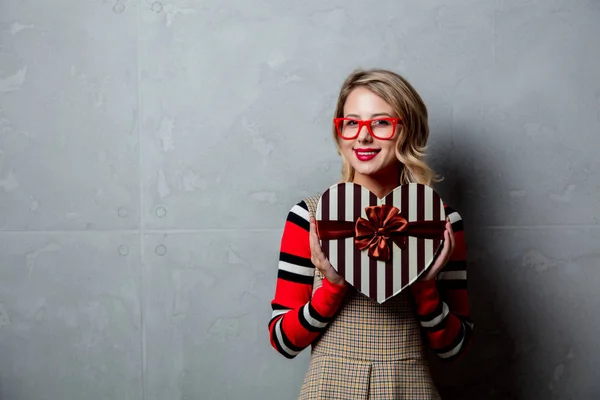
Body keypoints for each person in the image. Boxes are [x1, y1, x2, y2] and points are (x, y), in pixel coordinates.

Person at [268, 68, 473, 399]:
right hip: (328, 390)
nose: (363, 136)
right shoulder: (308, 217)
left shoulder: (441, 221)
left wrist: (425, 289)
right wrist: (331, 288)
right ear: (341, 133)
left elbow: (455, 349)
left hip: (408, 389)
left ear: (408, 131)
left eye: (380, 122)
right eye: (351, 123)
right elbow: (283, 341)